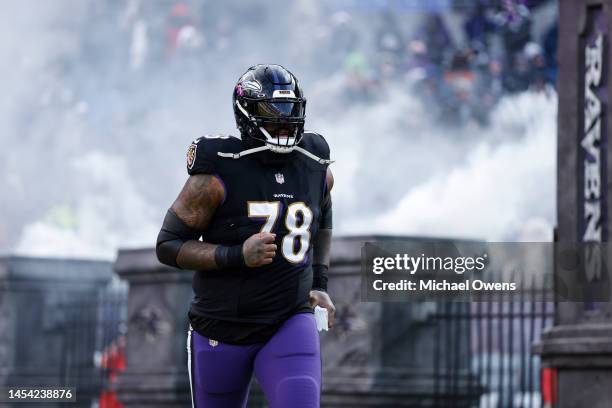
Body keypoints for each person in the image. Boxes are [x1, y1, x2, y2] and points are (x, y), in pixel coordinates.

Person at [156, 64, 336, 408]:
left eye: (289, 113)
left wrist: (320, 282)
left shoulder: (314, 163)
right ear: (247, 115)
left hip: (289, 319)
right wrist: (236, 254)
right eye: (272, 115)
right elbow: (167, 246)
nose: (284, 123)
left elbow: (323, 214)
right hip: (221, 326)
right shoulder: (217, 172)